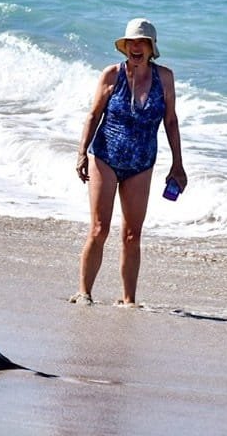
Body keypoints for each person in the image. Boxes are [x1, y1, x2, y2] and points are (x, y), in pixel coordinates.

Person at [70, 18, 187, 306]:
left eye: (142, 42)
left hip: (142, 162)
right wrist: (82, 152)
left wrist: (178, 164)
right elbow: (93, 115)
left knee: (133, 234)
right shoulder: (112, 75)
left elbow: (170, 121)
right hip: (106, 157)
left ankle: (128, 300)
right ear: (125, 47)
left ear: (151, 48)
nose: (136, 47)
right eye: (132, 42)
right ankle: (84, 292)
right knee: (100, 228)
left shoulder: (165, 78)